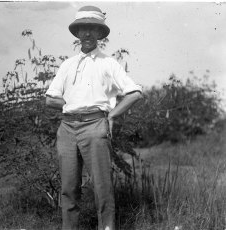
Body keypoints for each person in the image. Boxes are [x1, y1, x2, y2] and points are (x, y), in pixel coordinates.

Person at [46, 5, 143, 230]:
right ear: (77, 33)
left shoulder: (108, 63)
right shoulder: (67, 65)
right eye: (83, 29)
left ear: (100, 34)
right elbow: (50, 99)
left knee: (102, 188)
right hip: (67, 128)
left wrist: (111, 115)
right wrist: (73, 105)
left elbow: (135, 93)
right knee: (69, 188)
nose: (87, 34)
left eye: (93, 29)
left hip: (95, 126)